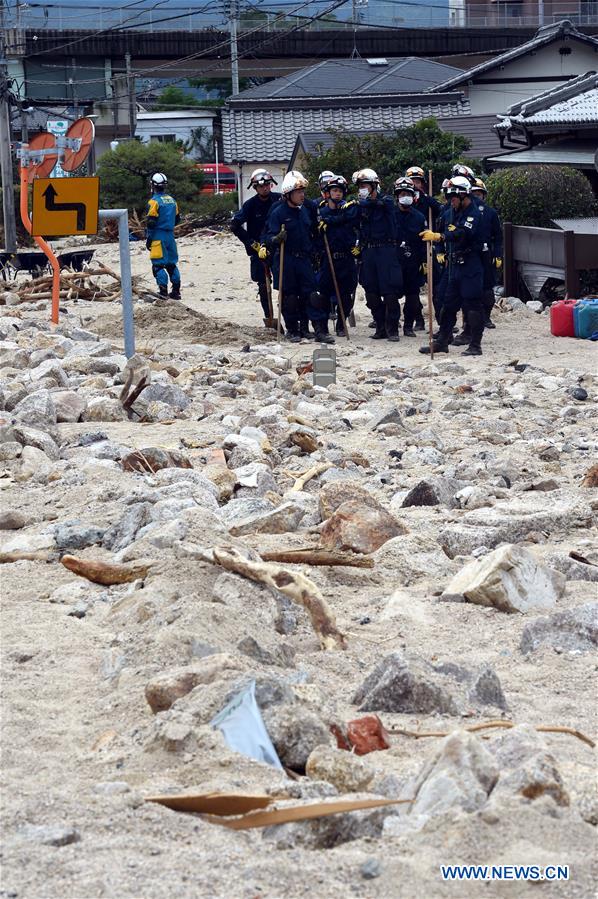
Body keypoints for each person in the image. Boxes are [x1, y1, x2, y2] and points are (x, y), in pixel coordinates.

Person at [260, 170, 333, 344]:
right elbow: (268, 236)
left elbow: (312, 232)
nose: (302, 195)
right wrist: (276, 239)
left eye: (303, 192)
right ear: (288, 194)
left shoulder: (305, 211)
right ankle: (292, 330)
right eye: (299, 192)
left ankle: (317, 330)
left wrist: (320, 233)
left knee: (312, 296)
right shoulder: (278, 212)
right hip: (286, 259)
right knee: (290, 297)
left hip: (304, 259)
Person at [419, 175, 485, 356]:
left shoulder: (474, 213)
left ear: (464, 195)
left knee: (472, 305)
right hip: (454, 265)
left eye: (454, 197)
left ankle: (475, 345)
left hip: (471, 264)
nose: (451, 201)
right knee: (447, 305)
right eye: (449, 198)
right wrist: (437, 239)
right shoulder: (449, 213)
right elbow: (442, 229)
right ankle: (442, 341)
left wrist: (440, 237)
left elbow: (463, 234)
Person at [353, 168, 403, 342]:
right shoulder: (360, 205)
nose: (362, 189)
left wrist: (361, 203)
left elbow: (379, 205)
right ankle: (380, 326)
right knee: (371, 292)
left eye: (365, 185)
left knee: (389, 292)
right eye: (360, 186)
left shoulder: (386, 201)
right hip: (368, 251)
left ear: (374, 185)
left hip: (386, 250)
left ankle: (393, 328)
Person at [230, 169, 281, 329]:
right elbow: (234, 225)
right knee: (263, 286)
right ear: (255, 188)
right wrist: (251, 243)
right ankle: (269, 316)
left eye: (267, 185)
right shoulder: (250, 205)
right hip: (258, 250)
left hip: (279, 247)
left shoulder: (279, 199)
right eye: (260, 186)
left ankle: (290, 318)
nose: (264, 188)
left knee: (285, 284)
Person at [317, 174, 359, 337]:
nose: (338, 194)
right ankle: (323, 326)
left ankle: (342, 324)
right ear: (328, 193)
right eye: (334, 190)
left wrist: (357, 246)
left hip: (347, 258)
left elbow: (357, 227)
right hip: (328, 257)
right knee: (324, 294)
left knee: (346, 295)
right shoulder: (321, 211)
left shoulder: (349, 209)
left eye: (340, 191)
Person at [393, 177, 426, 336]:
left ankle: (408, 326)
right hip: (394, 261)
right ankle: (391, 325)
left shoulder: (419, 217)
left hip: (413, 260)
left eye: (408, 193)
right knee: (391, 295)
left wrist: (425, 261)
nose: (405, 196)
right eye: (402, 193)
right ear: (397, 196)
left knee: (412, 296)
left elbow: (423, 241)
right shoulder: (390, 214)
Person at [145, 173, 181, 299]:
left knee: (158, 265)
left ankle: (163, 290)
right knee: (171, 264)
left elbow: (151, 222)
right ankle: (176, 291)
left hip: (158, 236)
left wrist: (149, 239)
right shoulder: (172, 200)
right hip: (170, 237)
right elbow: (177, 219)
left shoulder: (154, 201)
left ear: (153, 185)